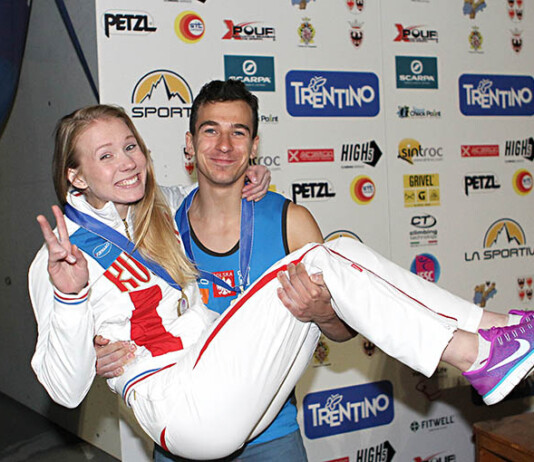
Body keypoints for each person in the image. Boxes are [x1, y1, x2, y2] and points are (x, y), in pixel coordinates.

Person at [29, 102, 534, 460]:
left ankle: (495, 331)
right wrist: (71, 298)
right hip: (183, 408)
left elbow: (207, 186)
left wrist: (246, 175)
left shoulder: (154, 212)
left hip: (236, 397)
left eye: (130, 146)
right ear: (76, 176)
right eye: (106, 156)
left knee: (336, 254)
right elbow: (64, 391)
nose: (127, 162)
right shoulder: (61, 258)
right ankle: (480, 352)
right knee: (317, 259)